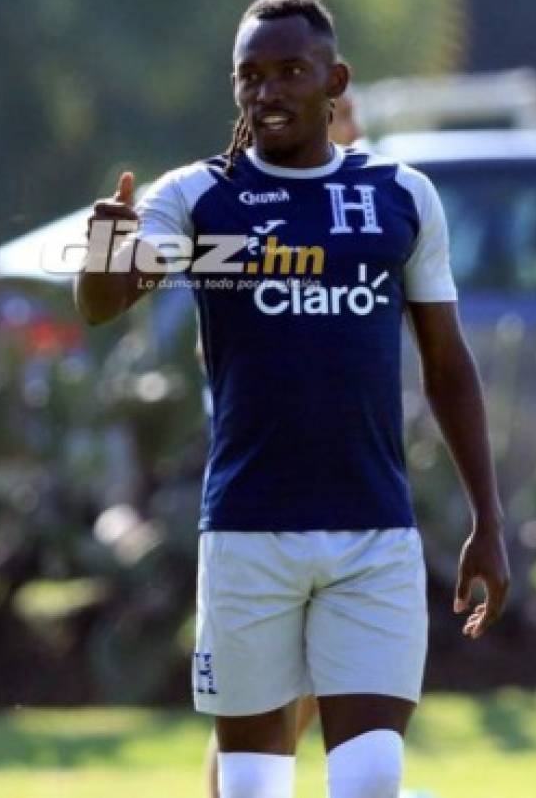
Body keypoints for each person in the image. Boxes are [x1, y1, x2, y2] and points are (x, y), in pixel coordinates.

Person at [74, 0, 509, 798]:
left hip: (373, 534)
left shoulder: (399, 195)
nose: (268, 91)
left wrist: (488, 517)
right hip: (246, 533)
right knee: (247, 788)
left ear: (333, 80)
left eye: (289, 72)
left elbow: (448, 363)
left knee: (373, 779)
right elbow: (104, 303)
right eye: (250, 77)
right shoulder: (199, 197)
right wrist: (107, 240)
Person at [199, 88, 361, 798]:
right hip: (265, 504)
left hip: (346, 497)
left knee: (322, 694)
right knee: (263, 709)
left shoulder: (364, 202)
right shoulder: (244, 206)